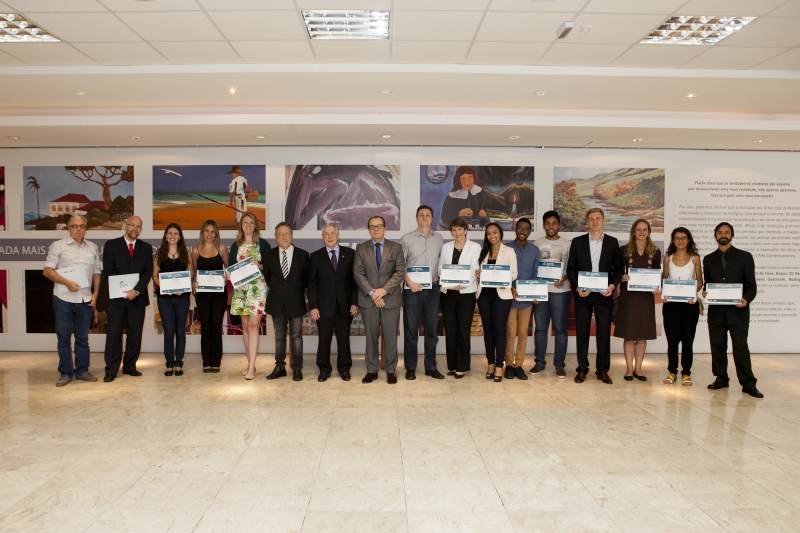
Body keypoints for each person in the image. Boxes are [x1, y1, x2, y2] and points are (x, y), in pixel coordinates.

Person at [702, 222, 762, 398]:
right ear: (715, 236)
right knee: (717, 347)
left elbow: (751, 286)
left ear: (732, 235)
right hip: (716, 313)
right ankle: (721, 379)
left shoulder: (745, 257)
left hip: (738, 312)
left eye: (726, 232)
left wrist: (746, 299)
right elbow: (708, 283)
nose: (723, 235)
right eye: (720, 232)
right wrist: (706, 290)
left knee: (741, 348)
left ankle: (749, 384)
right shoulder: (708, 259)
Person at [43, 215, 102, 387]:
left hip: (85, 300)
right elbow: (47, 271)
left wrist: (96, 293)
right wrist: (66, 282)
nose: (78, 229)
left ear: (86, 228)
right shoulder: (58, 246)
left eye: (82, 226)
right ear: (68, 228)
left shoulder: (92, 247)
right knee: (63, 338)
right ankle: (66, 373)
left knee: (82, 338)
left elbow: (97, 272)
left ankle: (83, 370)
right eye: (75, 226)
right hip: (64, 299)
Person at [567, 208, 623, 385]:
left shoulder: (613, 243)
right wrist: (577, 287)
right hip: (583, 294)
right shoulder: (577, 242)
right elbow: (571, 269)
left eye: (598, 218)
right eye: (591, 219)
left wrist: (612, 286)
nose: (595, 221)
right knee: (582, 331)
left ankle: (602, 370)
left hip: (603, 294)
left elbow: (618, 269)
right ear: (587, 222)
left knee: (603, 333)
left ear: (603, 220)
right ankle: (582, 369)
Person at [353, 216, 406, 384]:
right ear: (368, 229)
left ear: (384, 228)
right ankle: (372, 370)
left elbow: (400, 271)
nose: (376, 229)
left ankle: (391, 370)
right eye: (372, 227)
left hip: (390, 300)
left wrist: (383, 291)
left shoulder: (396, 247)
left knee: (391, 337)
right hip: (369, 301)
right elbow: (358, 273)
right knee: (371, 337)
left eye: (379, 226)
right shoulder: (361, 248)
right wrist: (372, 293)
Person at [102, 215, 154, 382]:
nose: (135, 229)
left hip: (137, 298)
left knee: (135, 333)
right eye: (132, 225)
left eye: (138, 226)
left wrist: (136, 291)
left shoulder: (146, 248)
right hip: (116, 299)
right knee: (113, 334)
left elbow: (147, 273)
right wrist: (122, 289)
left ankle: (130, 366)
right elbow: (108, 270)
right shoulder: (111, 245)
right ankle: (111, 369)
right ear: (125, 226)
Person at [308, 223, 358, 382]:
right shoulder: (315, 256)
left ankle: (344, 369)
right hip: (323, 307)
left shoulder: (350, 254)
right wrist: (313, 306)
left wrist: (354, 302)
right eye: (326, 234)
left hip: (345, 306)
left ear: (338, 235)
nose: (330, 236)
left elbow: (355, 281)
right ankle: (324, 369)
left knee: (344, 339)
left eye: (332, 233)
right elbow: (312, 284)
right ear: (322, 238)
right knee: (324, 340)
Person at [614, 219, 661, 382]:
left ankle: (638, 369)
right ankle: (628, 369)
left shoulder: (655, 251)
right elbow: (617, 271)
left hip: (646, 298)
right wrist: (622, 277)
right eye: (638, 229)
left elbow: (657, 273)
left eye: (645, 229)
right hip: (629, 296)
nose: (641, 232)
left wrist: (657, 286)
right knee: (629, 334)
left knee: (642, 335)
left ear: (649, 232)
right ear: (633, 231)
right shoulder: (624, 250)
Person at [401, 205, 445, 380]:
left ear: (432, 218)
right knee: (411, 330)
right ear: (416, 218)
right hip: (412, 289)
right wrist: (409, 283)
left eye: (428, 215)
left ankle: (431, 366)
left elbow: (442, 262)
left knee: (432, 331)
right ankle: (410, 367)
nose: (425, 217)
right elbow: (400, 265)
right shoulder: (406, 239)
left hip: (433, 289)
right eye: (421, 215)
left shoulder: (439, 238)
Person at [263, 222, 309, 382]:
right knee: (279, 337)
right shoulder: (268, 256)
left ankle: (297, 368)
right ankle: (279, 367)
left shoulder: (303, 255)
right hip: (276, 302)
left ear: (292, 235)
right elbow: (269, 279)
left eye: (287, 234)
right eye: (280, 234)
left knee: (296, 336)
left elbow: (305, 280)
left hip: (295, 301)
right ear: (276, 237)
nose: (284, 237)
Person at [228, 211, 270, 380]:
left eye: (251, 222)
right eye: (245, 222)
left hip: (258, 289)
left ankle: (251, 367)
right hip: (240, 290)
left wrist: (259, 264)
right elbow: (230, 268)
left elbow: (270, 266)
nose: (248, 225)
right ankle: (249, 363)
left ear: (255, 225)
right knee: (245, 328)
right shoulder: (235, 245)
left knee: (253, 326)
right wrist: (228, 275)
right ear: (241, 225)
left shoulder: (263, 244)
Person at [439, 217, 481, 378]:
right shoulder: (446, 247)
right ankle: (452, 365)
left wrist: (462, 283)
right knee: (451, 329)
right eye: (454, 230)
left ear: (466, 230)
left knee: (463, 329)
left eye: (460, 229)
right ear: (451, 232)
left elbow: (475, 269)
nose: (457, 233)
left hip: (466, 293)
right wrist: (450, 282)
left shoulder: (475, 247)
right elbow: (440, 267)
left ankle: (462, 366)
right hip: (448, 293)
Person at [475, 223, 518, 382]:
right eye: (488, 233)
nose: (492, 236)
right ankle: (491, 364)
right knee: (488, 330)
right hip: (484, 296)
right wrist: (478, 274)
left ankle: (500, 365)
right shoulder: (484, 252)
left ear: (500, 234)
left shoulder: (509, 251)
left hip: (502, 296)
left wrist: (505, 280)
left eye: (495, 232)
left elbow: (514, 273)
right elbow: (480, 274)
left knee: (500, 330)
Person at [531, 210, 571, 378]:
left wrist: (564, 277)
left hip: (560, 291)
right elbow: (533, 267)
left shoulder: (568, 244)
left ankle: (559, 365)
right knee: (540, 329)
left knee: (560, 329)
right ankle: (539, 363)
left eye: (554, 223)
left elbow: (571, 267)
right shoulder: (536, 243)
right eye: (548, 223)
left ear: (559, 225)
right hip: (541, 291)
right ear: (543, 225)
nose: (551, 226)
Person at [661, 227, 702, 386]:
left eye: (683, 238)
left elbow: (700, 280)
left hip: (689, 305)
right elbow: (665, 280)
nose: (680, 241)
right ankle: (672, 372)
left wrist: (693, 293)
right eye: (677, 238)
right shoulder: (667, 259)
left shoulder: (695, 258)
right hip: (671, 306)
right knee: (672, 341)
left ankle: (686, 373)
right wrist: (664, 294)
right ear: (673, 240)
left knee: (687, 340)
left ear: (689, 240)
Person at [152, 223, 194, 377]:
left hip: (182, 298)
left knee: (180, 331)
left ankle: (179, 363)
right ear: (165, 236)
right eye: (170, 233)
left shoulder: (186, 253)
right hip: (164, 299)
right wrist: (164, 287)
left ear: (180, 236)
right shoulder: (159, 254)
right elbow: (155, 275)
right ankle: (169, 364)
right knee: (168, 332)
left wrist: (183, 287)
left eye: (176, 233)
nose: (172, 236)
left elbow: (191, 273)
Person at [192, 220, 230, 374]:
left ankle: (216, 361)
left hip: (219, 295)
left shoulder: (221, 249)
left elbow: (228, 270)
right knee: (206, 326)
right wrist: (193, 283)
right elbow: (194, 274)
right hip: (202, 295)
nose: (209, 234)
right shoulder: (195, 251)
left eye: (212, 231)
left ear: (216, 234)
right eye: (207, 231)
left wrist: (227, 276)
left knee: (216, 326)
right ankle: (206, 361)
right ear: (202, 233)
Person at [505, 217, 539, 380]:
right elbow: (504, 273)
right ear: (515, 229)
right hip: (509, 299)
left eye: (526, 229)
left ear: (529, 232)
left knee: (523, 334)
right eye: (520, 228)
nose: (522, 231)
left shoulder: (534, 251)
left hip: (526, 301)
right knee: (510, 333)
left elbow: (535, 275)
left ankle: (519, 366)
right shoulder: (507, 248)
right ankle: (509, 365)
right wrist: (510, 288)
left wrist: (535, 293)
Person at [439, 166, 488, 230]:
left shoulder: (479, 192)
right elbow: (444, 217)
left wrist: (484, 213)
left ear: (474, 178)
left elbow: (484, 208)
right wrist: (458, 213)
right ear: (459, 180)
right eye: (463, 179)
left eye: (470, 178)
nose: (467, 182)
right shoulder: (452, 195)